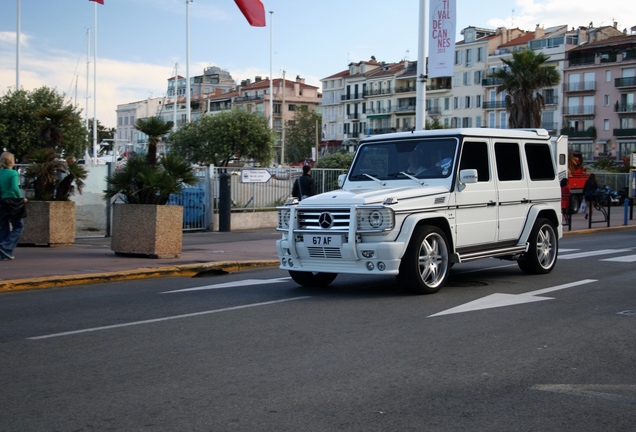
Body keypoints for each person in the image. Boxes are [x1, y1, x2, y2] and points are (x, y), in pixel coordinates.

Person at [0, 152, 27, 260]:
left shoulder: (0, 173)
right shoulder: (13, 173)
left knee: (3, 227)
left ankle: (3, 253)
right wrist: (21, 199)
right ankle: (5, 246)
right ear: (12, 161)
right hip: (12, 201)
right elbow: (15, 187)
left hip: (2, 201)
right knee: (18, 226)